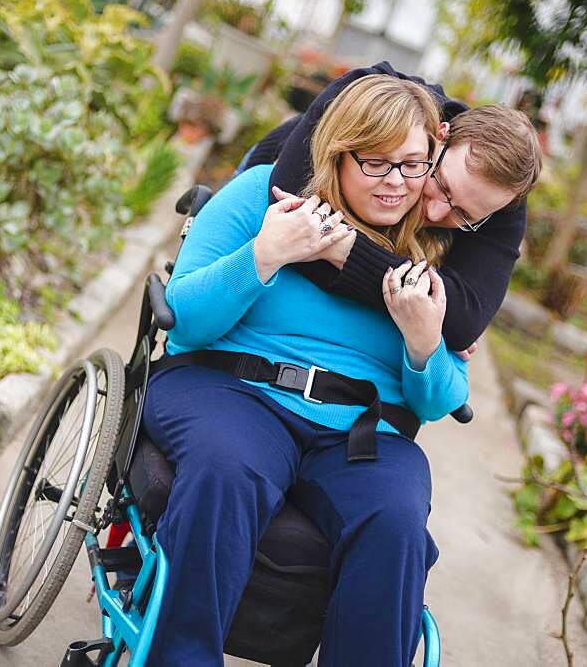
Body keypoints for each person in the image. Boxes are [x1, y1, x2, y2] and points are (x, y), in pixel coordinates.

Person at [143, 75, 466, 666]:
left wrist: (423, 348)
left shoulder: (433, 246)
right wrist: (265, 255)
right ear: (338, 151)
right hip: (232, 385)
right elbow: (183, 319)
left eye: (413, 165)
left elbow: (444, 399)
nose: (396, 183)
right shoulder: (259, 197)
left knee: (396, 520)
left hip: (362, 428)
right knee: (228, 466)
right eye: (376, 163)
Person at [243, 61, 543, 354]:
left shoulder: (503, 197)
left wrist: (343, 249)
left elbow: (463, 323)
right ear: (439, 136)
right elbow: (291, 223)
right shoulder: (366, 89)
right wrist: (417, 307)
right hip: (260, 173)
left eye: (464, 216)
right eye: (442, 184)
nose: (436, 213)